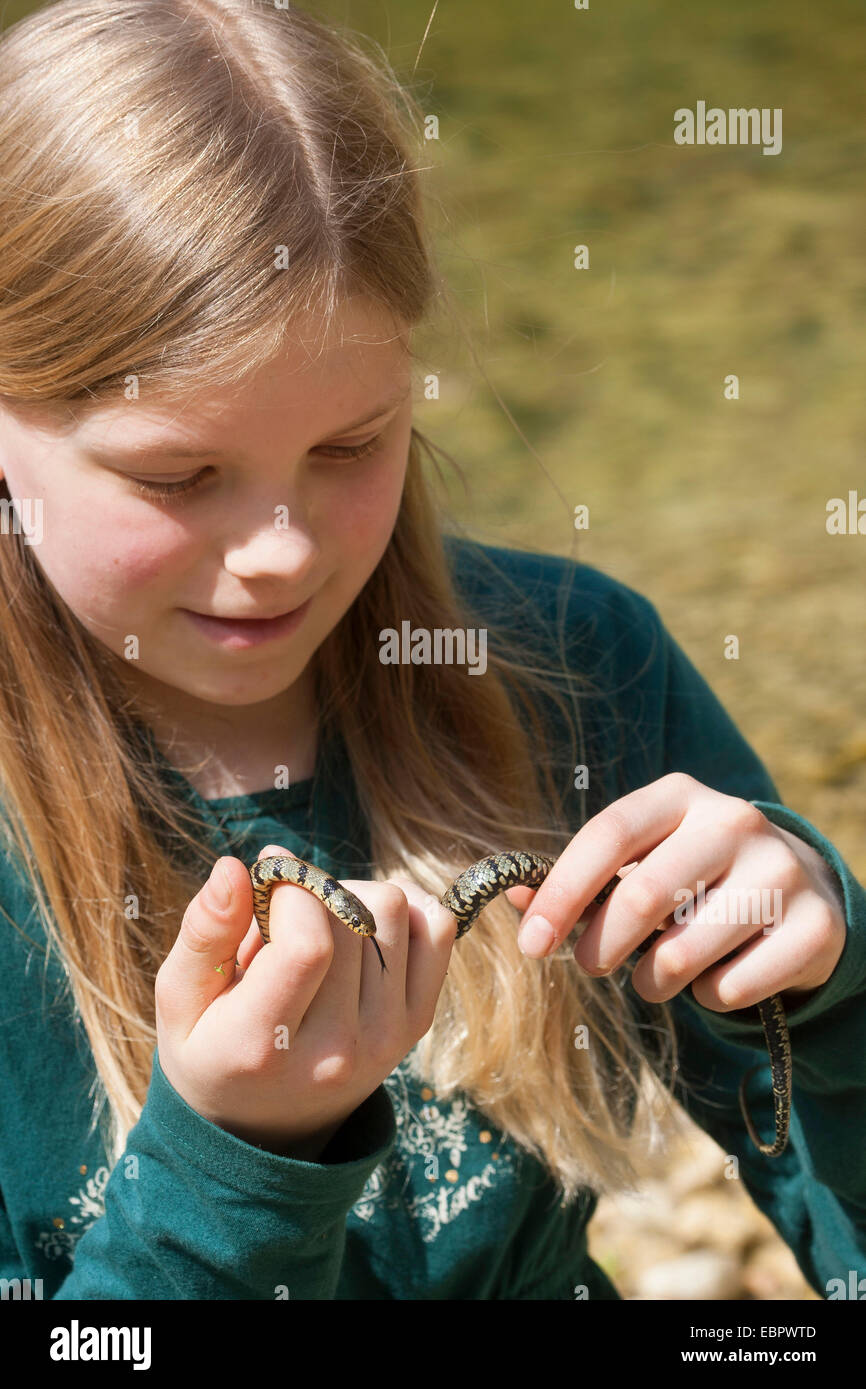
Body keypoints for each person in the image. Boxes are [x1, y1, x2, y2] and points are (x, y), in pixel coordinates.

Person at [0, 0, 862, 1303]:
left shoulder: (575, 662)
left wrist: (824, 990)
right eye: (180, 474)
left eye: (350, 446)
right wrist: (228, 1168)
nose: (281, 551)